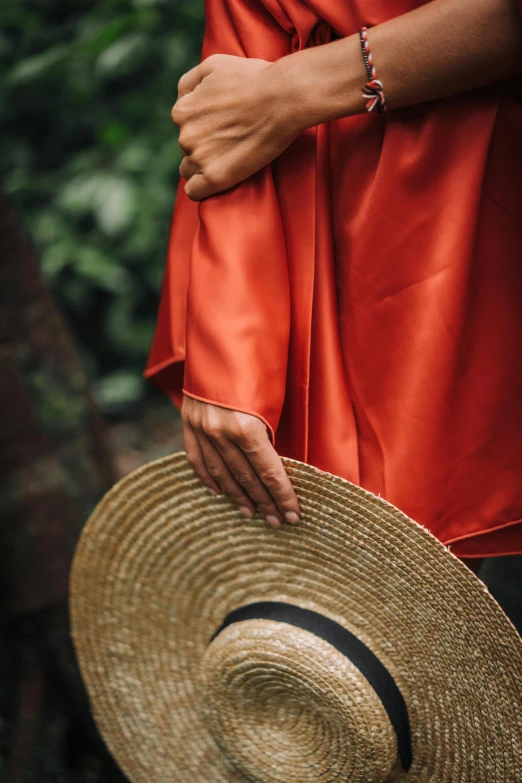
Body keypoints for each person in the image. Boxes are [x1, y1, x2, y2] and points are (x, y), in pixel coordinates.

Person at [145, 0, 522, 573]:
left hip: (485, 193)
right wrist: (230, 370)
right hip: (321, 229)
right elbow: (229, 95)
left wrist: (289, 90)